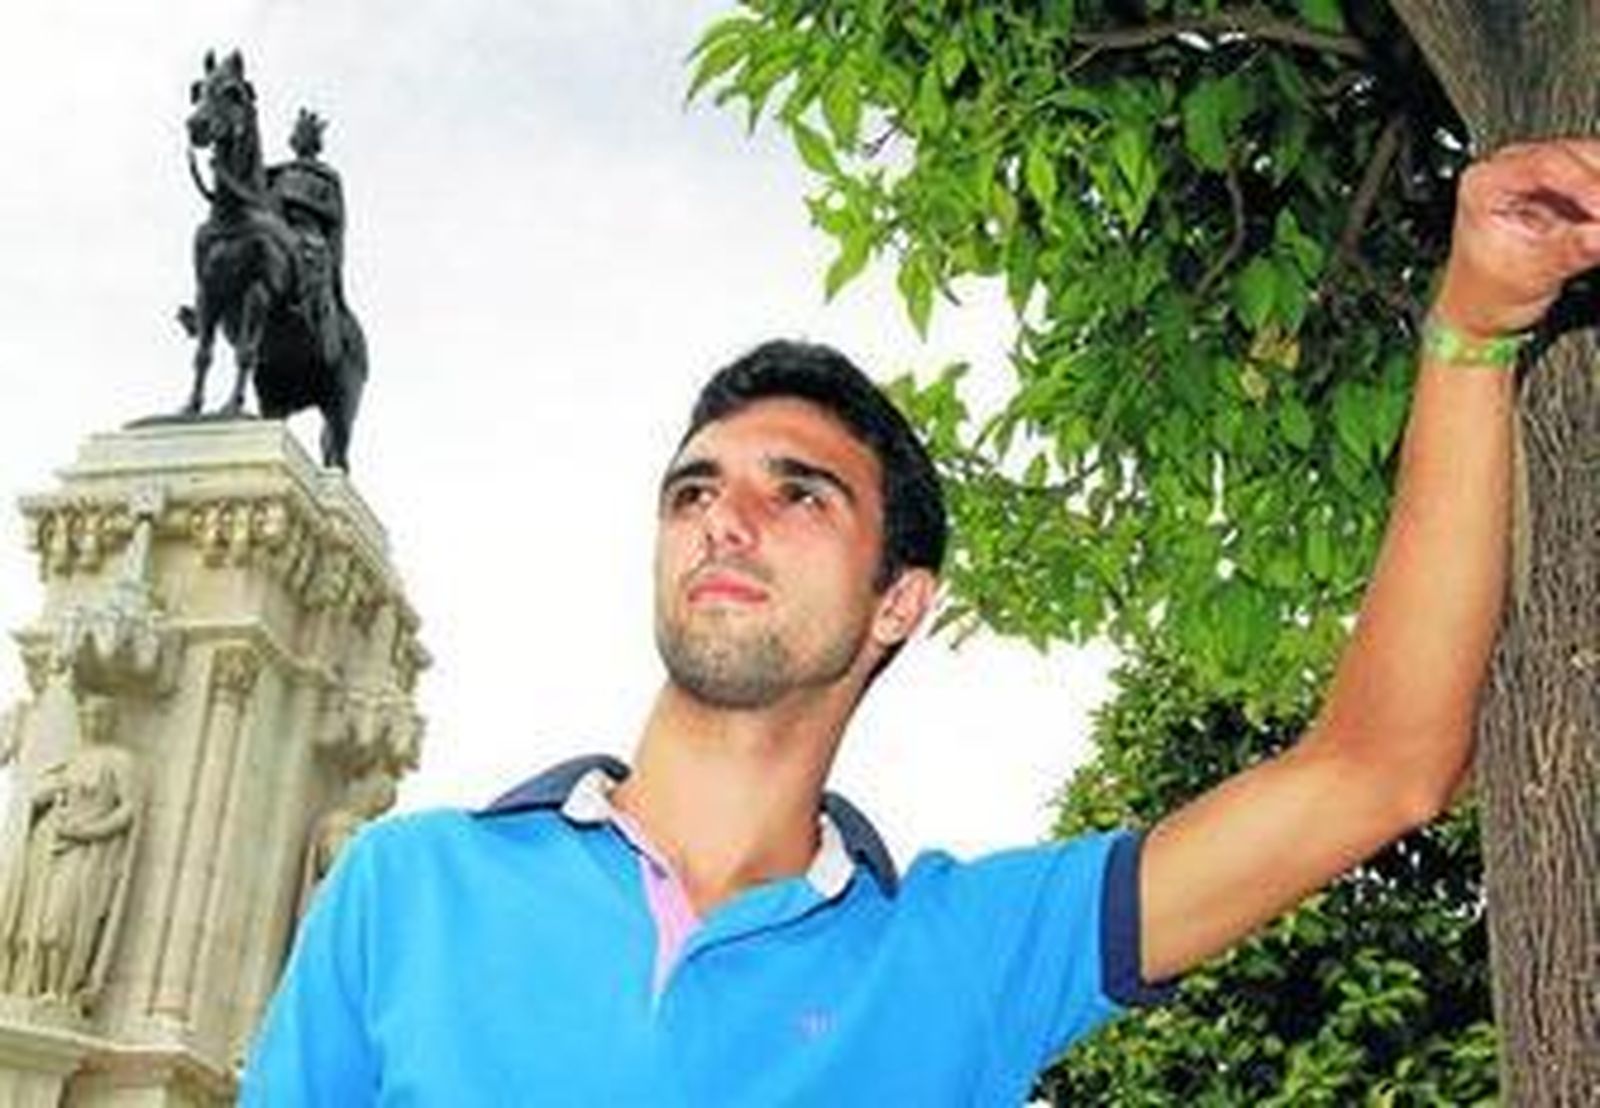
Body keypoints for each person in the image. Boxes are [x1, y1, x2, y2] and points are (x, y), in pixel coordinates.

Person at [240, 140, 1600, 1105]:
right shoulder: (406, 891)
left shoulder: (965, 957)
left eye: (800, 495)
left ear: (902, 601)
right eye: (696, 489)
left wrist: (1475, 325)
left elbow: (1377, 770)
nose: (728, 518)